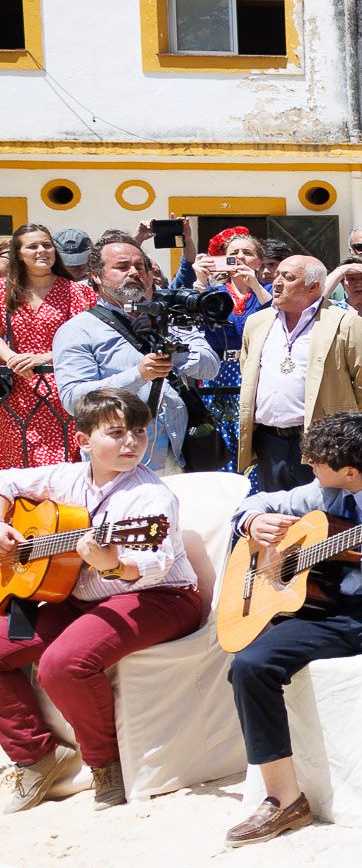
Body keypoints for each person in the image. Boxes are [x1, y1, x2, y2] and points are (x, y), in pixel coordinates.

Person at [220, 411, 362, 848]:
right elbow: (255, 503)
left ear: (349, 471)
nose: (308, 467)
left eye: (316, 461)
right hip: (324, 611)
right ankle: (284, 797)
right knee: (249, 664)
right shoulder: (319, 492)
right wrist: (251, 522)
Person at [0, 390, 200, 811]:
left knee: (63, 664)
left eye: (140, 432)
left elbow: (153, 566)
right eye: (116, 432)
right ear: (83, 440)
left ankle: (105, 765)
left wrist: (110, 564)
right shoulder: (67, 478)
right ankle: (38, 757)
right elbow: (6, 480)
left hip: (157, 598)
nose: (131, 442)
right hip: (77, 596)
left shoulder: (150, 498)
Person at [50, 233, 219, 476]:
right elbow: (74, 400)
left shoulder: (170, 318)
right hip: (118, 459)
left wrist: (174, 353)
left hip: (180, 455)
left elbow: (210, 368)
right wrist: (139, 375)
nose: (133, 272)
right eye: (121, 267)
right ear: (96, 276)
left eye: (140, 266)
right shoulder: (78, 330)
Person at [237, 253, 362, 493]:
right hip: (269, 441)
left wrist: (337, 416)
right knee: (277, 518)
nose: (277, 282)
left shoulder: (344, 322)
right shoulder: (257, 322)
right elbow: (248, 372)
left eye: (288, 277)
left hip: (323, 441)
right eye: (277, 275)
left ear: (314, 286)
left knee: (323, 519)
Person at [2, 222, 99, 467]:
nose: (41, 251)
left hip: (62, 389)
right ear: (19, 254)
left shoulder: (76, 292)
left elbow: (89, 338)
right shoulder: (4, 290)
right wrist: (11, 356)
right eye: (32, 246)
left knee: (62, 464)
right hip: (17, 393)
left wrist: (44, 357)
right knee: (18, 461)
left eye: (46, 245)